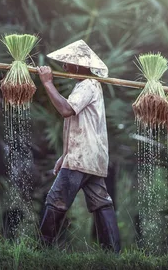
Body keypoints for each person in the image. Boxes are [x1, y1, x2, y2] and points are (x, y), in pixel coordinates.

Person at [36, 40, 121, 253]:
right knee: (102, 203)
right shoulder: (87, 86)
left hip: (82, 157)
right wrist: (65, 155)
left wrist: (47, 83)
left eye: (68, 63)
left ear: (79, 65)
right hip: (91, 157)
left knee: (56, 200)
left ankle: (41, 251)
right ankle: (113, 254)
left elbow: (66, 110)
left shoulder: (88, 85)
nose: (64, 67)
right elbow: (76, 125)